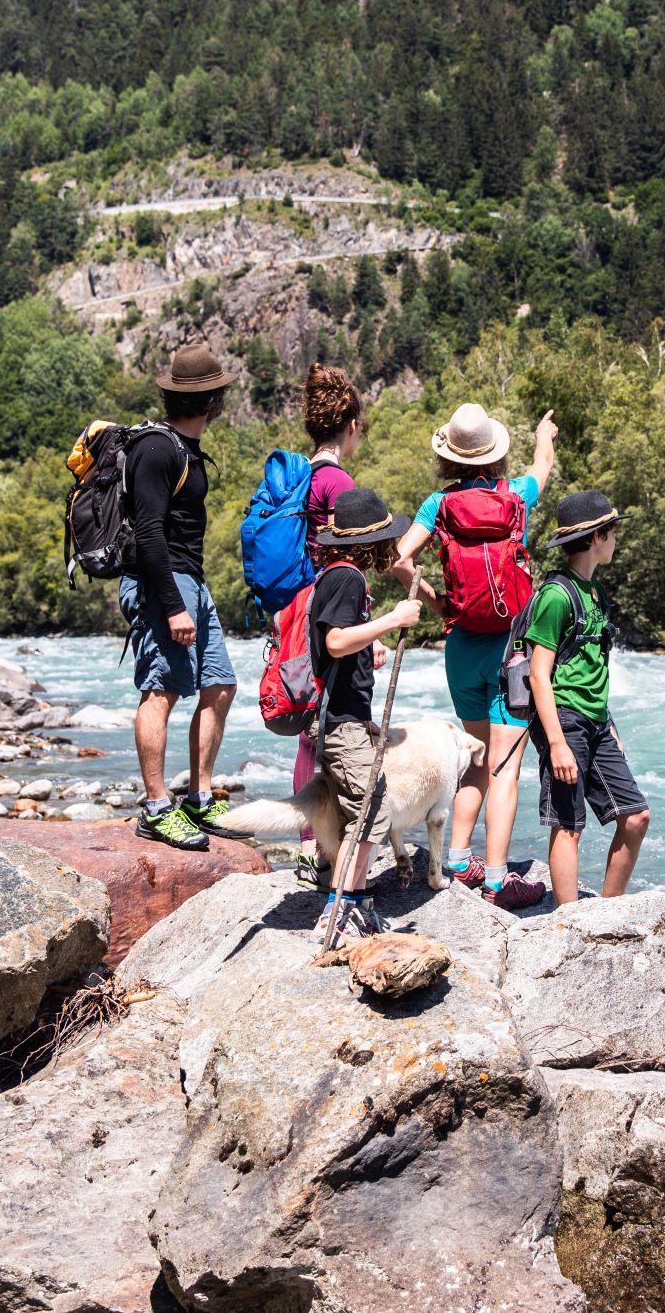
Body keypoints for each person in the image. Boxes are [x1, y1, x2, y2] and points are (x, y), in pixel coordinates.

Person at [393, 401, 556, 910]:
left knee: (475, 759)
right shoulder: (518, 496)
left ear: (450, 457)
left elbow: (400, 557)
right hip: (513, 647)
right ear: (493, 453)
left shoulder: (437, 504)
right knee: (507, 765)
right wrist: (543, 434)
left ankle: (459, 861)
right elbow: (543, 467)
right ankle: (499, 877)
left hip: (461, 644)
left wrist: (436, 601)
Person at [124, 340, 252, 851]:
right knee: (161, 691)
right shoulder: (155, 449)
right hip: (164, 585)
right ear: (212, 401)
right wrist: (174, 605)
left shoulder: (184, 449)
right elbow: (148, 532)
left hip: (190, 582)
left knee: (220, 685)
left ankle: (198, 799)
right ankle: (157, 807)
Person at [307, 488, 426, 941]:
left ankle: (353, 903)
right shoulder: (348, 579)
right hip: (341, 727)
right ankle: (342, 912)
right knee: (371, 815)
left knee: (359, 814)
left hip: (344, 720)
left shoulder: (335, 575)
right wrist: (392, 621)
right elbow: (335, 641)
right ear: (372, 541)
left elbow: (337, 648)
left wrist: (364, 718)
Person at [525, 489, 646, 905]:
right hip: (564, 720)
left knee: (635, 816)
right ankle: (569, 925)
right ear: (597, 537)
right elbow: (539, 675)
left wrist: (609, 723)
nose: (616, 541)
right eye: (612, 533)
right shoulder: (557, 596)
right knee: (568, 824)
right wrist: (556, 743)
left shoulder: (595, 594)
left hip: (596, 722)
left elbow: (592, 667)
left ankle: (607, 913)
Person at [293, 364, 364, 843]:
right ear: (351, 426)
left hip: (300, 605)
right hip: (331, 606)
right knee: (324, 726)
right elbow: (359, 547)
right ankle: (316, 844)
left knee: (309, 722)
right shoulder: (338, 483)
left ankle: (310, 842)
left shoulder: (302, 475)